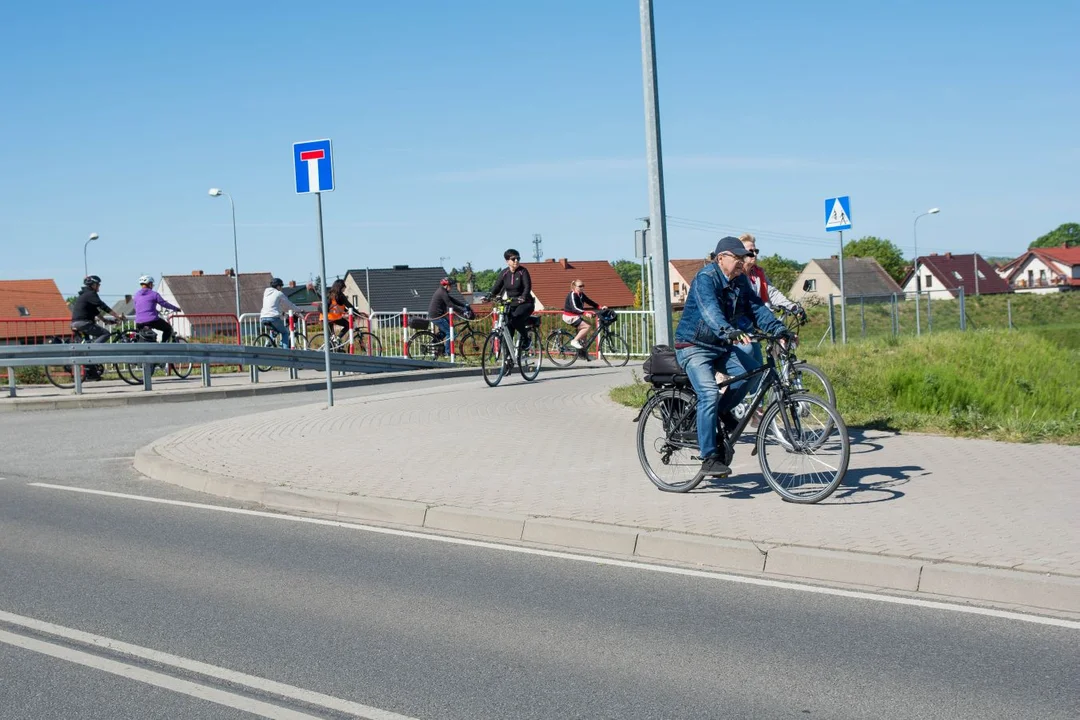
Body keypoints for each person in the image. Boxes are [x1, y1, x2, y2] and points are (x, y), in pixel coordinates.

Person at [674, 236, 789, 477]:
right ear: (721, 258)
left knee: (749, 374)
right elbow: (709, 311)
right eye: (736, 257)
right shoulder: (706, 278)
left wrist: (778, 329)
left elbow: (757, 308)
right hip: (692, 346)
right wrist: (729, 331)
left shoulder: (741, 282)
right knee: (708, 393)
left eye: (743, 258)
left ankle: (722, 411)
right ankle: (709, 456)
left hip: (720, 345)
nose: (741, 262)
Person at [488, 248, 535, 352]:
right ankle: (508, 357)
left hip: (526, 303)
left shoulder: (523, 271)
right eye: (513, 259)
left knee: (516, 319)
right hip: (511, 303)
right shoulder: (504, 273)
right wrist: (490, 296)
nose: (516, 261)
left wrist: (523, 297)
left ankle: (527, 340)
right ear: (507, 261)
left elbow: (528, 287)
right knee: (508, 326)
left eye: (518, 258)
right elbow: (497, 287)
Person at [71, 275, 122, 343]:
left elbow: (95, 311)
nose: (99, 286)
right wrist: (117, 316)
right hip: (83, 323)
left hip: (75, 323)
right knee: (105, 334)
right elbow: (103, 306)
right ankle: (93, 350)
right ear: (93, 285)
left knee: (87, 342)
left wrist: (104, 320)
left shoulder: (84, 294)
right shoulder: (91, 294)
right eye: (98, 285)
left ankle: (89, 351)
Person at [562, 280, 607, 356]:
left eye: (583, 286)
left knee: (584, 333)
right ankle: (574, 341)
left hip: (576, 316)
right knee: (587, 326)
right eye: (580, 286)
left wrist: (600, 307)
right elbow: (574, 308)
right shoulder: (572, 295)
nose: (582, 288)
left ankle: (583, 353)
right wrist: (585, 313)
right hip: (569, 316)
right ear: (574, 287)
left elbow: (589, 301)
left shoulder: (581, 294)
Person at [428, 277, 470, 355]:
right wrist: (463, 312)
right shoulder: (442, 292)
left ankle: (436, 342)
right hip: (436, 317)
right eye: (451, 286)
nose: (452, 288)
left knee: (448, 330)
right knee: (451, 333)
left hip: (437, 315)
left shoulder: (442, 291)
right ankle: (448, 353)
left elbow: (453, 300)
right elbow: (450, 305)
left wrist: (464, 305)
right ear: (446, 285)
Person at [133, 275, 180, 343]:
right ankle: (163, 345)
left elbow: (136, 307)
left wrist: (155, 311)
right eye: (152, 284)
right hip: (151, 320)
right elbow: (164, 303)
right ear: (150, 284)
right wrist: (175, 308)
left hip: (138, 322)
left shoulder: (136, 295)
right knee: (168, 329)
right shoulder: (154, 294)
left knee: (139, 335)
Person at [260, 277, 303, 348]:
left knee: (274, 330)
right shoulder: (279, 293)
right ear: (278, 286)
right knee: (285, 332)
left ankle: (267, 345)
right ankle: (285, 352)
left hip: (263, 317)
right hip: (273, 317)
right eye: (281, 286)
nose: (281, 288)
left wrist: (282, 312)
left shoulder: (266, 292)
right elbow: (289, 304)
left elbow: (273, 305)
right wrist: (299, 310)